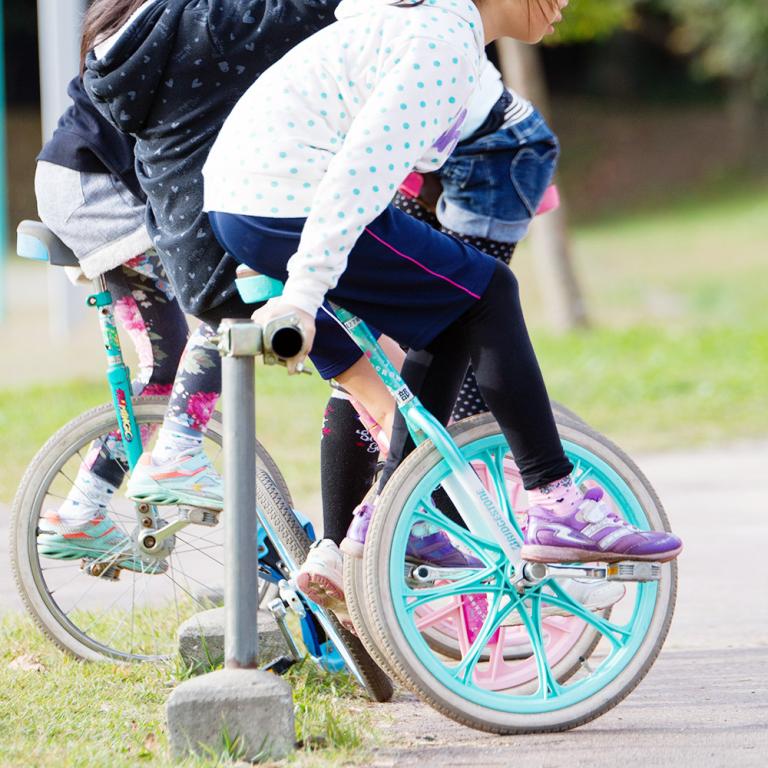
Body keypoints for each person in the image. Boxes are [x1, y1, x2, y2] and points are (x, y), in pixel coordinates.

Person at [201, 0, 682, 587]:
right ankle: (557, 504)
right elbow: (359, 174)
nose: (567, 5)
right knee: (490, 290)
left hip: (253, 200)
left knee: (453, 312)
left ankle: (397, 511)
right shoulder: (441, 43)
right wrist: (303, 294)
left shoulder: (451, 43)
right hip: (285, 201)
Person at [33, 76, 223, 567]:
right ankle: (179, 452)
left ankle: (83, 511)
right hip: (94, 183)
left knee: (165, 371)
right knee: (223, 305)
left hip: (83, 178)